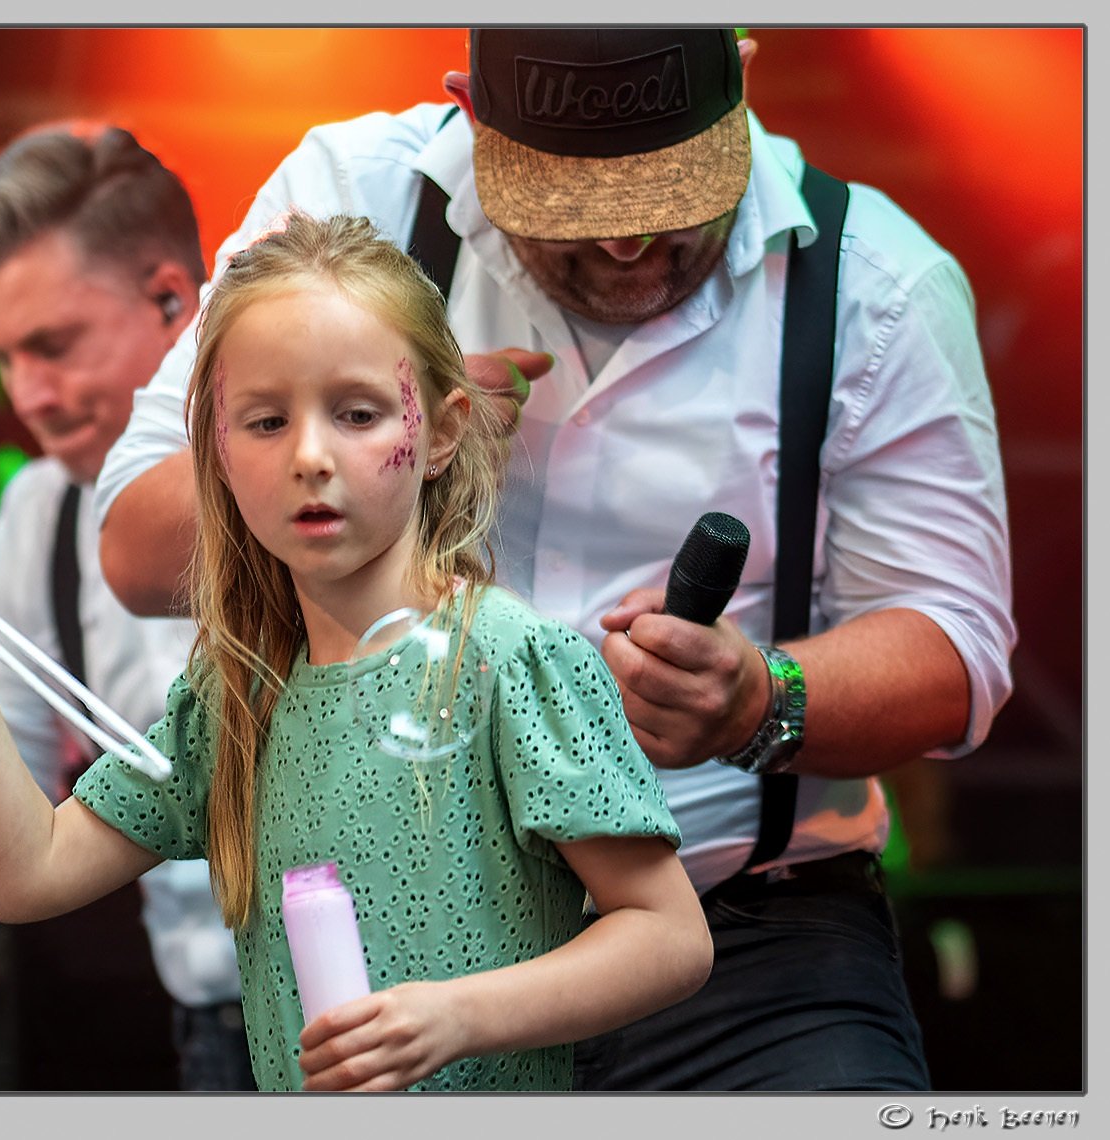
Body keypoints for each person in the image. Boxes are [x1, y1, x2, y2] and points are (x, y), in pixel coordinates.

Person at [91, 28, 1016, 1090]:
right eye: (573, 209)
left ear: (741, 77)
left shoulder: (875, 286)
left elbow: (955, 650)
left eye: (671, 196)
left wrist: (761, 700)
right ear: (474, 117)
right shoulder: (352, 198)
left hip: (755, 957)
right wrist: (378, 448)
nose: (627, 248)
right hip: (404, 946)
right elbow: (132, 546)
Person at [0, 211, 713, 1092]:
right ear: (219, 454)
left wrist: (455, 1016)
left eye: (357, 414)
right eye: (266, 422)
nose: (310, 456)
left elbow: (669, 937)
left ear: (438, 431)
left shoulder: (512, 659)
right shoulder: (239, 694)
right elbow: (24, 874)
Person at [0, 121, 254, 1091]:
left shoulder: (310, 446)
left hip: (432, 989)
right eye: (3, 358)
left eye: (53, 345)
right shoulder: (37, 516)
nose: (28, 394)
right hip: (215, 1027)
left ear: (174, 297)